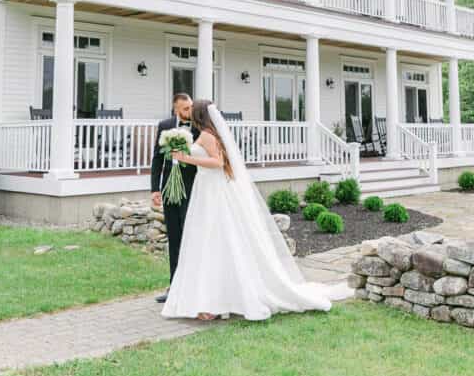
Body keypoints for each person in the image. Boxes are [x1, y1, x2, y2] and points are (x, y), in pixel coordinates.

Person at [162, 99, 353, 321]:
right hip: (206, 189)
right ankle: (211, 299)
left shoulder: (207, 135)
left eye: (193, 111)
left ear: (199, 115)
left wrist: (186, 158)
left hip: (212, 190)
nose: (190, 113)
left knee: (213, 241)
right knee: (208, 241)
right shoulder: (207, 134)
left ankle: (213, 303)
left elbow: (218, 162)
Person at [149, 93, 199, 304]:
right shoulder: (164, 125)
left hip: (192, 188)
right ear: (176, 108)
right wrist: (155, 189)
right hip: (169, 188)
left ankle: (194, 288)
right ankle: (174, 287)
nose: (190, 112)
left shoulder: (199, 127)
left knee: (191, 238)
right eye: (186, 108)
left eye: (191, 107)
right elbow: (157, 158)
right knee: (175, 238)